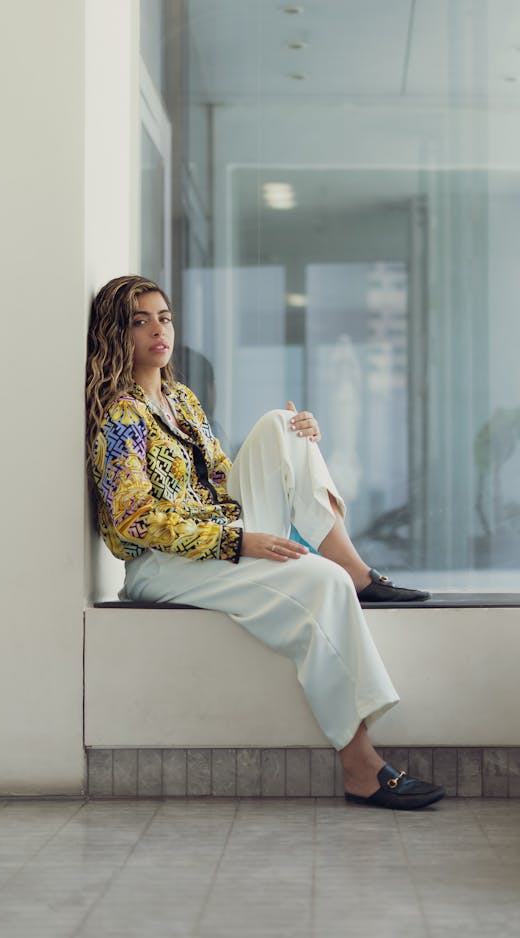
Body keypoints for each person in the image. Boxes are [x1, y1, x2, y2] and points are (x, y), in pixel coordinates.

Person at [85, 274, 444, 811]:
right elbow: (133, 519)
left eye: (164, 317)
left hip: (214, 535)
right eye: (140, 321)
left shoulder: (179, 400)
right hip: (161, 565)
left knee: (285, 424)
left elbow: (222, 477)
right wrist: (236, 541)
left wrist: (296, 450)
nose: (158, 330)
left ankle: (355, 571)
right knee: (320, 582)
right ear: (119, 334)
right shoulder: (122, 414)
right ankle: (361, 767)